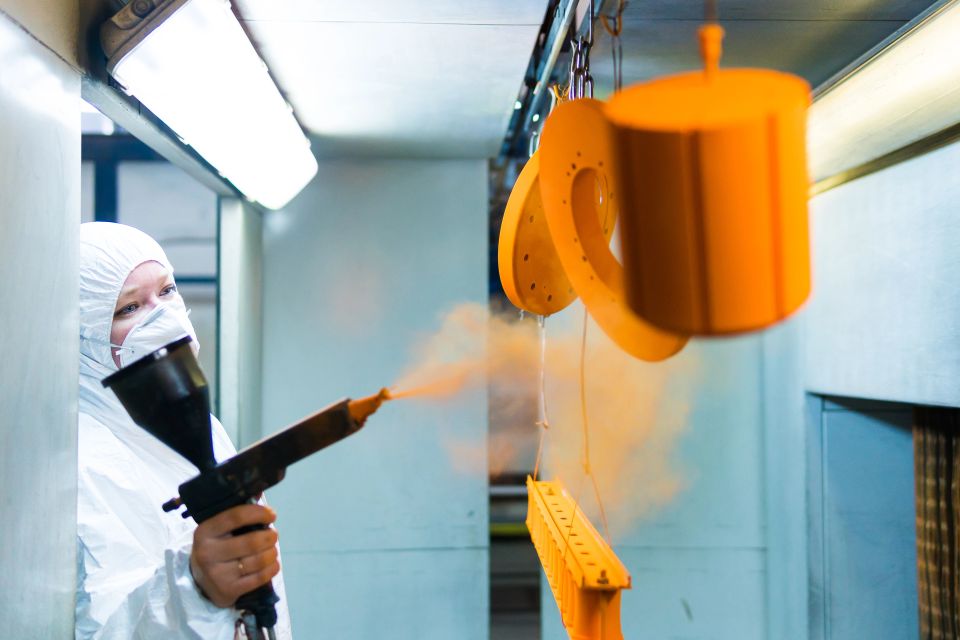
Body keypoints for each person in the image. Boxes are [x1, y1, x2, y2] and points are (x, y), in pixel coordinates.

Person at [76, 222, 292, 639]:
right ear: (83, 340)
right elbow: (102, 629)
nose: (164, 316)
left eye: (167, 291)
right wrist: (194, 588)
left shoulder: (198, 426)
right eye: (129, 308)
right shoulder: (81, 462)